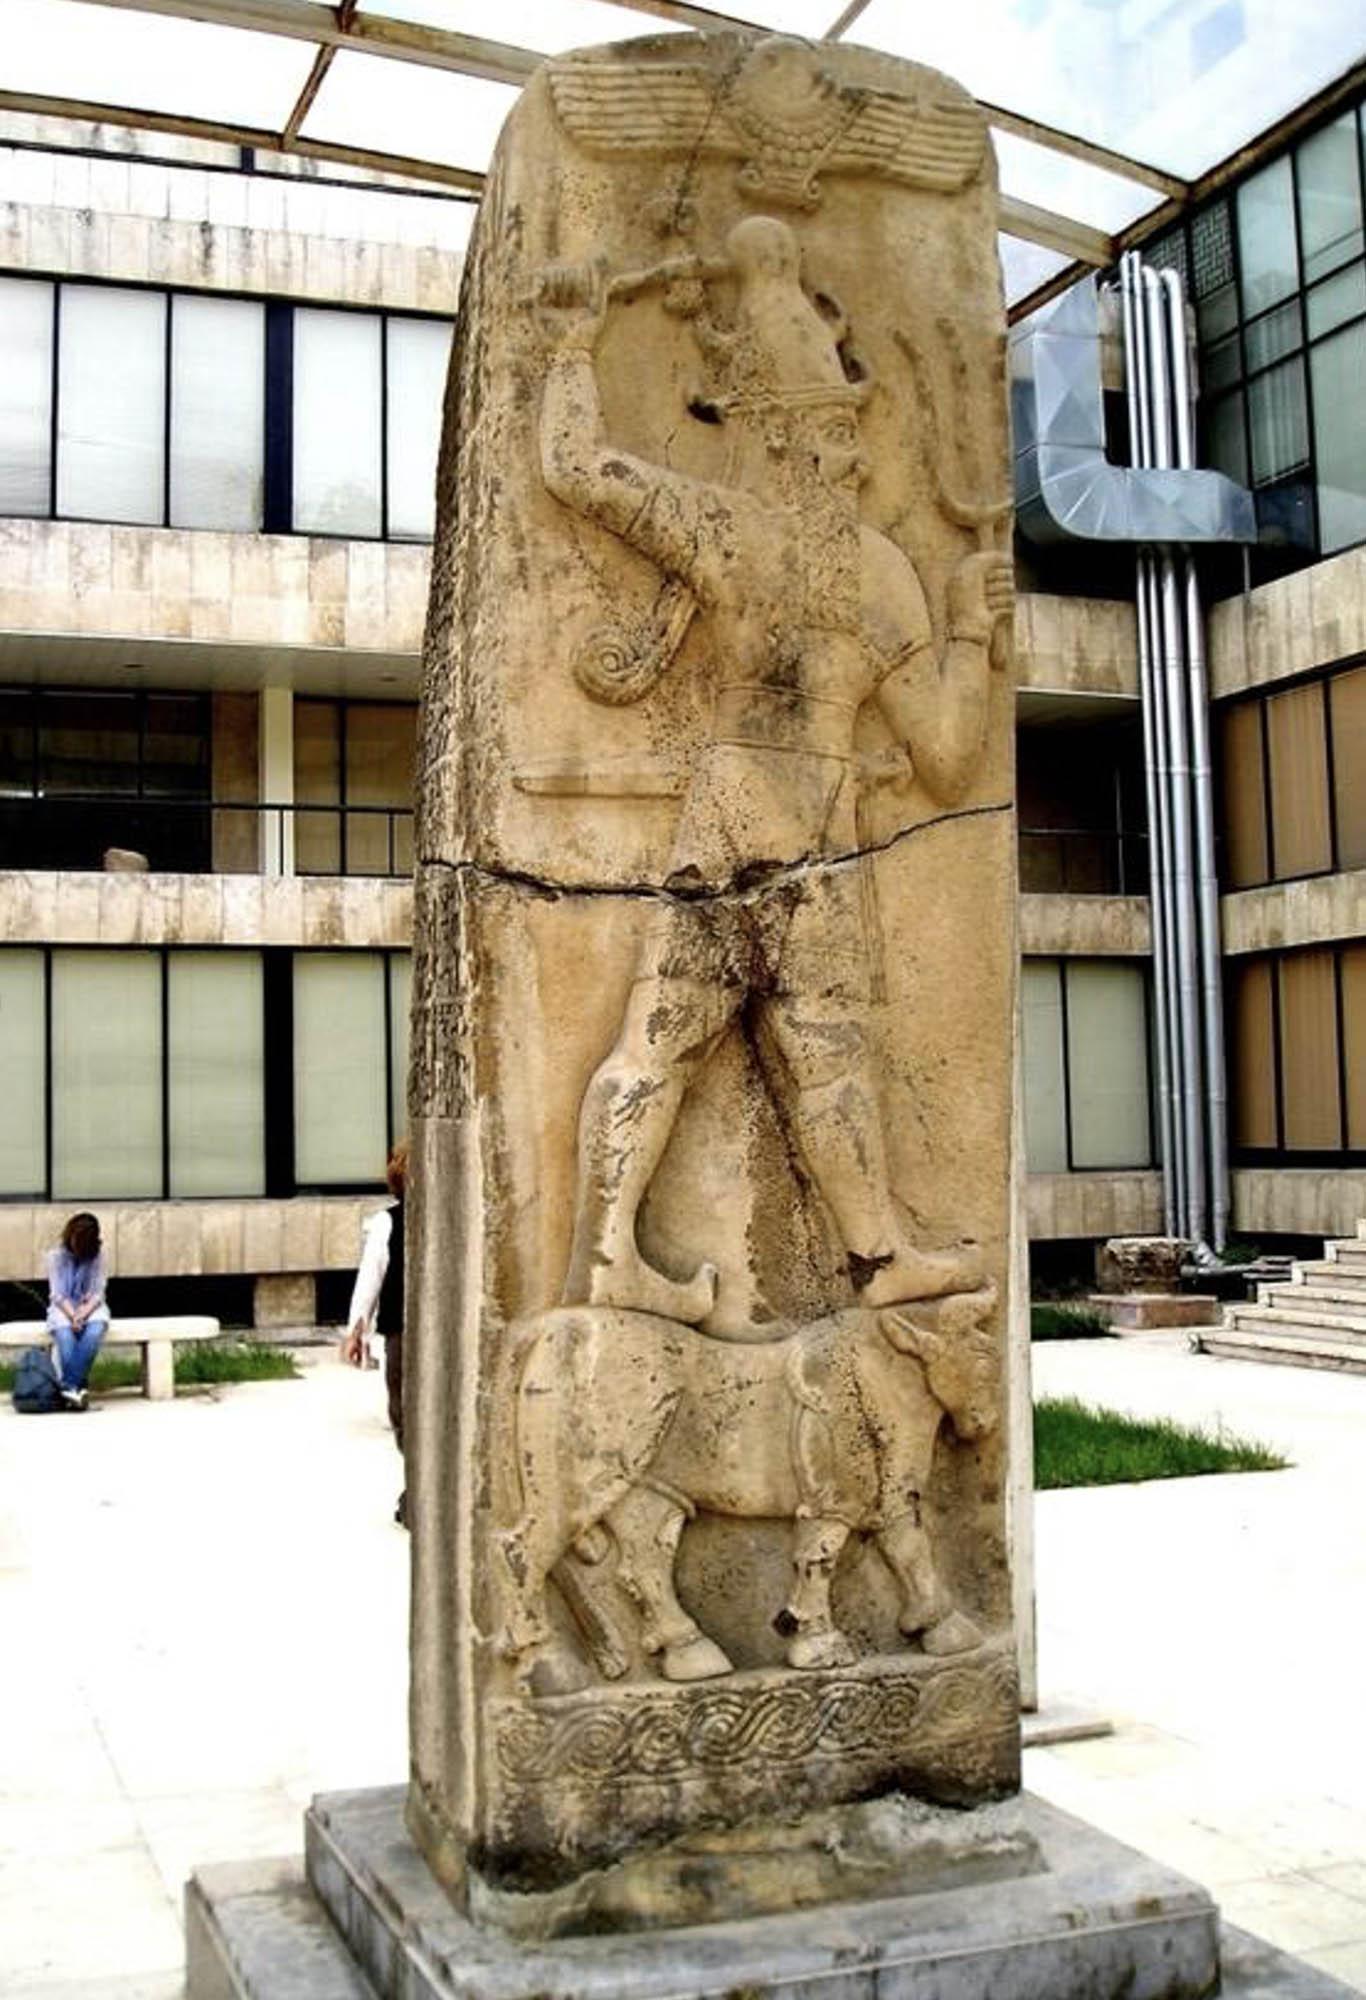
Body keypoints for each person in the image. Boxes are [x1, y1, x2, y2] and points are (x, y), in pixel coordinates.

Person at [536, 216, 1013, 1327]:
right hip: (810, 836)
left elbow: (573, 463)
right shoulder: (872, 570)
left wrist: (571, 344)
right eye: (836, 434)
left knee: (666, 1043)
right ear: (790, 437)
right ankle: (871, 1257)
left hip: (729, 822)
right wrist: (967, 631)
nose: (855, 458)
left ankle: (607, 1257)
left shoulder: (727, 531)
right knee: (818, 1060)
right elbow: (947, 754)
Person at [344, 1140, 408, 1524]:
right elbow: (372, 1277)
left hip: (403, 1330)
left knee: (403, 1412)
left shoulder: (389, 1222)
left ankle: (418, 1488)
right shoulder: (388, 1222)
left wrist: (357, 1330)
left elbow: (371, 1276)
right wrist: (358, 1328)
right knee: (407, 1414)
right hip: (402, 1328)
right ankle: (419, 1487)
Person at [46, 1212, 109, 1411]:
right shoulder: (55, 1257)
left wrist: (84, 1312)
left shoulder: (98, 1256)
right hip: (63, 1307)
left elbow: (98, 1292)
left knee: (94, 1331)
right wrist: (73, 1315)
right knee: (65, 1335)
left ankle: (68, 1388)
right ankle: (77, 1390)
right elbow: (57, 1294)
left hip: (91, 1306)